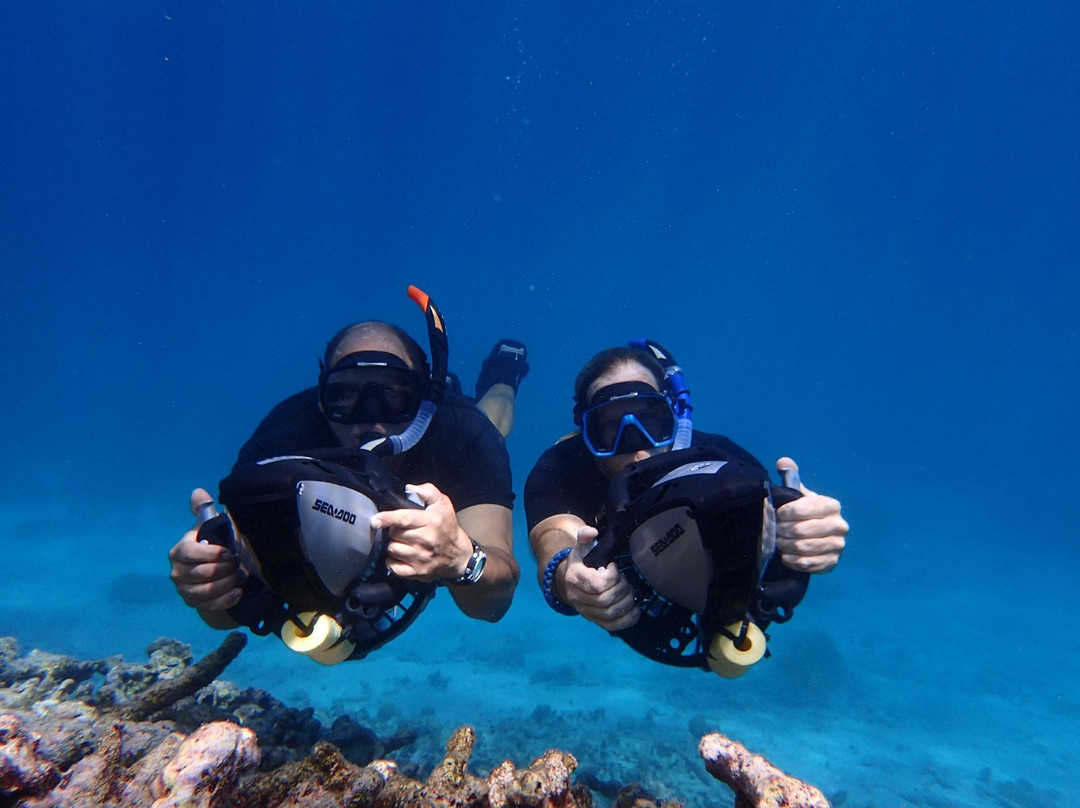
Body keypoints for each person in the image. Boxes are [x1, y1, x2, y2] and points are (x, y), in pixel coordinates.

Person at [170, 316, 529, 639]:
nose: (371, 421)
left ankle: (502, 378)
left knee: (493, 419)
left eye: (394, 394)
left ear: (422, 398)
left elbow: (492, 606)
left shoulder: (465, 434)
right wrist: (210, 580)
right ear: (323, 401)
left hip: (448, 449)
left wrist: (462, 559)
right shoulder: (285, 438)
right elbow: (224, 614)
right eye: (346, 395)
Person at [525, 344, 848, 637]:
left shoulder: (715, 458)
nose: (637, 450)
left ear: (674, 420)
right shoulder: (560, 468)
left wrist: (807, 532)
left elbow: (766, 515)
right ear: (586, 432)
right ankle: (504, 379)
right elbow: (553, 534)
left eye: (650, 422)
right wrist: (566, 574)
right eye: (611, 427)